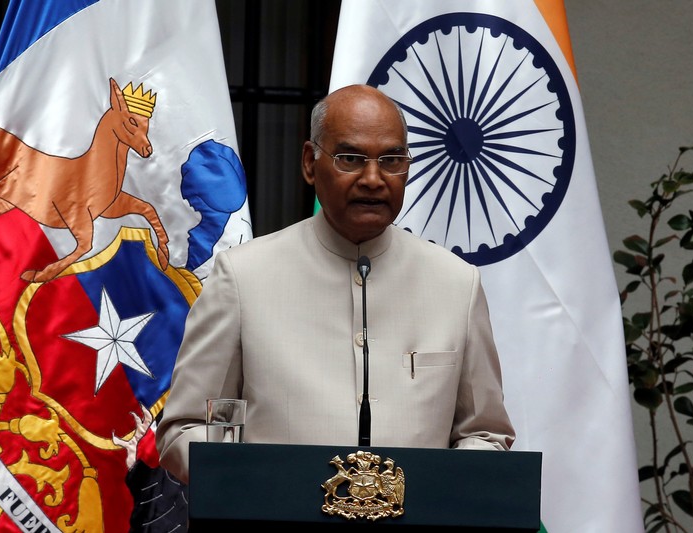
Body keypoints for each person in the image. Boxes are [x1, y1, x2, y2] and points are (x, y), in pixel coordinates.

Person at [156, 84, 515, 484]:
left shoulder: (455, 283)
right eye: (351, 159)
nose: (374, 179)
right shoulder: (243, 277)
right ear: (310, 163)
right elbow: (183, 429)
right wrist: (256, 487)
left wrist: (436, 496)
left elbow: (486, 433)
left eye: (392, 160)